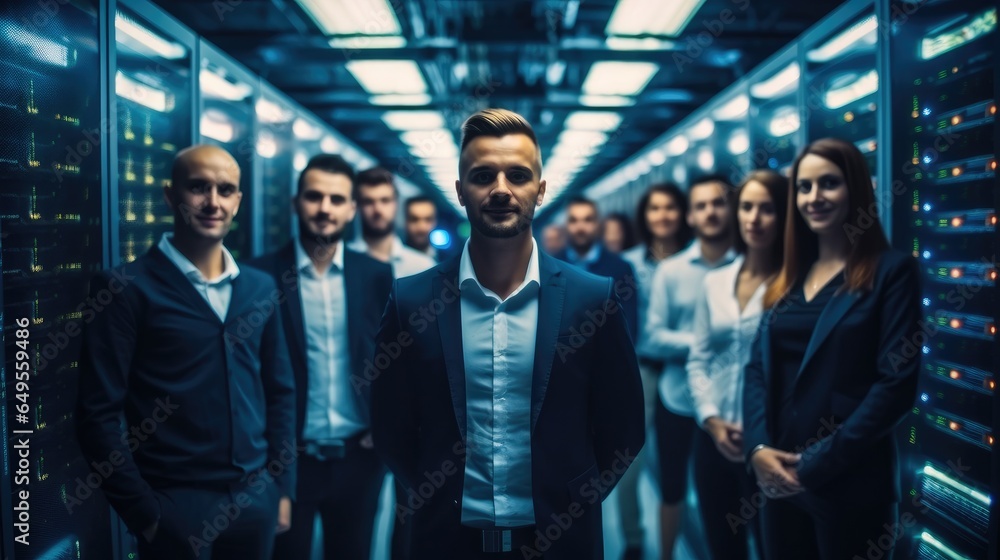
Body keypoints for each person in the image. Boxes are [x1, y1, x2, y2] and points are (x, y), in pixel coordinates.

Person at [370, 108, 645, 559]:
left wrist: (576, 497)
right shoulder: (411, 301)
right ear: (460, 191)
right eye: (483, 176)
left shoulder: (592, 299)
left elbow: (624, 427)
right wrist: (429, 491)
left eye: (517, 175)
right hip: (445, 540)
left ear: (539, 190)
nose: (501, 189)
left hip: (560, 541)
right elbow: (389, 427)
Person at [75, 145, 296, 560]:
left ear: (238, 201)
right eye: (198, 187)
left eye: (225, 190)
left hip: (255, 500)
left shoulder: (260, 287)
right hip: (174, 506)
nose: (213, 201)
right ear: (169, 195)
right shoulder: (125, 288)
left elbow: (280, 391)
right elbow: (96, 416)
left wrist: (281, 488)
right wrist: (145, 513)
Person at [743, 138, 920, 560]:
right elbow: (756, 370)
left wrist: (815, 463)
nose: (814, 197)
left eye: (829, 184)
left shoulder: (892, 272)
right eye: (803, 187)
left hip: (850, 481)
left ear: (855, 189)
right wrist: (758, 448)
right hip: (779, 477)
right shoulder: (787, 278)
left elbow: (894, 385)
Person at [245, 154, 394, 560]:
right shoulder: (259, 278)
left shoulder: (376, 275)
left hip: (359, 458)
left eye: (336, 198)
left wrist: (384, 423)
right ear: (296, 203)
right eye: (313, 196)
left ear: (351, 208)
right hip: (287, 462)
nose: (324, 208)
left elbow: (398, 359)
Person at [686, 170, 787, 560]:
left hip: (771, 441)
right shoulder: (716, 281)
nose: (754, 219)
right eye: (747, 207)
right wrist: (710, 419)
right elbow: (699, 358)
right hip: (713, 439)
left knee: (772, 546)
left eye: (767, 209)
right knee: (721, 545)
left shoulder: (797, 284)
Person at [640, 175, 735, 560]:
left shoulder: (750, 266)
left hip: (730, 404)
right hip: (677, 399)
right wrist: (702, 343)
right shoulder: (672, 271)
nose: (710, 212)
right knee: (672, 488)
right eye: (700, 206)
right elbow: (652, 337)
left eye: (718, 203)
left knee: (727, 499)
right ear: (690, 218)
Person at [618, 183, 693, 560]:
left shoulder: (699, 259)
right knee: (630, 458)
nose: (662, 216)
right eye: (655, 209)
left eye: (670, 208)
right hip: (644, 369)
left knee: (684, 462)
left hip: (691, 371)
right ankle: (633, 538)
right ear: (645, 217)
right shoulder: (629, 263)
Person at [555, 196, 639, 341]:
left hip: (609, 356)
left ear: (598, 224)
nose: (580, 227)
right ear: (565, 226)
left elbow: (629, 323)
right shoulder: (552, 266)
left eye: (588, 220)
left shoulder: (620, 268)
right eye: (573, 220)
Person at [348, 167, 436, 278]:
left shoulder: (423, 267)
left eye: (385, 200)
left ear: (396, 203)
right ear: (357, 206)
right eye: (368, 202)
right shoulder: (343, 263)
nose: (377, 210)